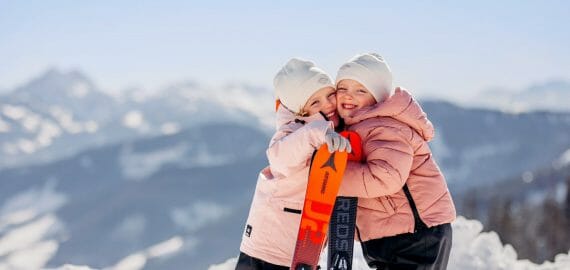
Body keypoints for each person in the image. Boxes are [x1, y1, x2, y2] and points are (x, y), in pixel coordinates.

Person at [335, 53, 456, 270]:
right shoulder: (357, 127)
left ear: (378, 97)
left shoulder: (385, 127)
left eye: (360, 90)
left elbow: (385, 177)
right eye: (342, 89)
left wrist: (334, 179)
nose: (349, 96)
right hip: (394, 234)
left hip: (416, 235)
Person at [236, 58, 351, 269]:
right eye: (315, 102)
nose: (327, 104)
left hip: (302, 252)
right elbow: (280, 158)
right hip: (267, 251)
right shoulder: (293, 130)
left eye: (329, 95)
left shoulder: (335, 129)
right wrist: (317, 133)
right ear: (301, 112)